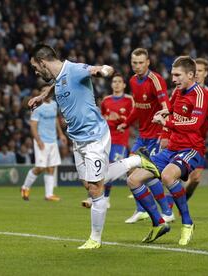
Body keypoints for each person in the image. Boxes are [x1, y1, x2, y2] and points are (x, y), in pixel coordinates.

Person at [28, 44, 115, 249]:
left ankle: (95, 239)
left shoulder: (75, 69)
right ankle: (136, 162)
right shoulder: (59, 77)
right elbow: (58, 83)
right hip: (78, 140)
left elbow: (100, 69)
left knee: (95, 188)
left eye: (35, 67)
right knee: (88, 183)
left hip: (95, 136)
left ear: (43, 62)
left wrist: (102, 70)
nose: (35, 71)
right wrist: (43, 97)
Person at [127, 56, 208, 245]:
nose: (173, 79)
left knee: (167, 176)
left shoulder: (200, 94)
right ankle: (158, 223)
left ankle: (187, 223)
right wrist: (162, 115)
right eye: (172, 75)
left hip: (191, 149)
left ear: (191, 75)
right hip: (171, 147)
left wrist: (167, 122)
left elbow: (195, 124)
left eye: (177, 75)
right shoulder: (177, 92)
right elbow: (170, 110)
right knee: (133, 179)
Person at [117, 48, 174, 224]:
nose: (138, 66)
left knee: (147, 173)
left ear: (148, 62)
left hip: (157, 134)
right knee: (131, 169)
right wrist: (126, 123)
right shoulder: (133, 81)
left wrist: (165, 133)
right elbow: (138, 107)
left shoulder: (156, 80)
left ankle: (167, 211)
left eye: (141, 62)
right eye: (134, 63)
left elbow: (166, 108)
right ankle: (142, 210)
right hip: (143, 135)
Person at [166, 58, 208, 205]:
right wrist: (165, 133)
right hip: (179, 137)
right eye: (195, 70)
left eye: (200, 71)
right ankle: (170, 205)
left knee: (196, 177)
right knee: (173, 173)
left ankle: (180, 202)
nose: (197, 74)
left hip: (197, 140)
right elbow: (171, 111)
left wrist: (207, 115)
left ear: (206, 73)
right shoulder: (180, 90)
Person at [81, 74, 134, 208]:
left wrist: (119, 118)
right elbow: (101, 118)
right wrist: (106, 117)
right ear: (111, 84)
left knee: (110, 166)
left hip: (120, 139)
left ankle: (102, 197)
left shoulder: (129, 100)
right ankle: (101, 197)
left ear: (124, 85)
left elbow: (133, 118)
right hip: (105, 139)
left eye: (119, 82)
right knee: (102, 167)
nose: (116, 84)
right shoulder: (106, 100)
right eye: (114, 81)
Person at [21, 84, 67, 201]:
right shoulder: (37, 107)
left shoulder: (54, 104)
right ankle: (25, 187)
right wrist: (38, 140)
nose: (46, 93)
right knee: (40, 168)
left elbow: (55, 119)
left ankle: (49, 194)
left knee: (51, 167)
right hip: (42, 141)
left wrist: (61, 134)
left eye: (48, 90)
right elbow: (33, 125)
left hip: (53, 141)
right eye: (44, 91)